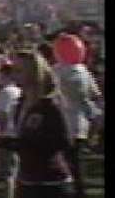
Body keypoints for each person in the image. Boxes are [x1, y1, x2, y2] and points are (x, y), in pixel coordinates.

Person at [0, 50, 73, 197]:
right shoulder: (20, 104)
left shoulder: (50, 106)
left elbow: (63, 141)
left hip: (51, 182)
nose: (14, 75)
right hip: (26, 179)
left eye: (19, 70)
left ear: (34, 73)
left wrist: (19, 143)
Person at [53, 50, 101, 198]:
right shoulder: (84, 71)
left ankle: (71, 190)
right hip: (80, 123)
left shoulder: (56, 70)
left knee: (66, 161)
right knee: (75, 161)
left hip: (63, 121)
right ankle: (79, 190)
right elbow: (96, 93)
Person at [0, 62, 22, 198]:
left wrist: (0, 132)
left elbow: (3, 115)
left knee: (7, 174)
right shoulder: (18, 91)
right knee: (15, 171)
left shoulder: (5, 92)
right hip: (17, 134)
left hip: (6, 135)